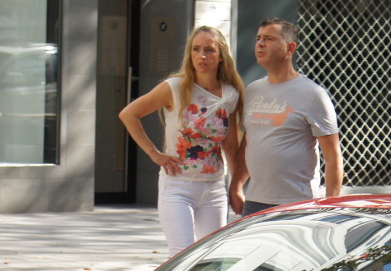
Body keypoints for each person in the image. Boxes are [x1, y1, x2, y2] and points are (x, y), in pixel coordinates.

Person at [119, 26, 243, 255]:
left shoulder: (230, 94)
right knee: (182, 258)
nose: (202, 55)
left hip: (213, 187)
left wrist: (236, 187)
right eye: (196, 49)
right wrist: (154, 153)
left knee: (211, 259)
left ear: (221, 55)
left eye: (209, 49)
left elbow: (231, 145)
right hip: (177, 186)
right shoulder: (175, 87)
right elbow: (128, 114)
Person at [230, 18, 342, 216]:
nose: (260, 44)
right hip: (255, 201)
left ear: (290, 48)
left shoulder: (313, 94)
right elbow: (249, 142)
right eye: (258, 38)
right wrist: (237, 185)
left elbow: (332, 156)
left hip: (297, 204)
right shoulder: (253, 90)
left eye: (269, 39)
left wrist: (330, 206)